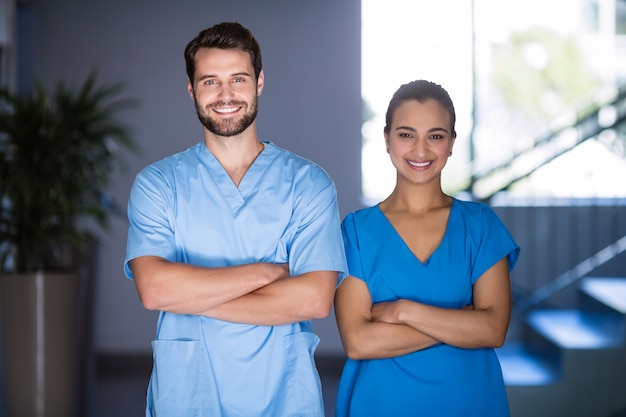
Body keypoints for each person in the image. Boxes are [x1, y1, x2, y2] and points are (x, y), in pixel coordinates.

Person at [124, 21, 347, 416]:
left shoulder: (309, 183)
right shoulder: (158, 184)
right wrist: (267, 273)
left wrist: (188, 294)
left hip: (283, 397)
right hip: (188, 395)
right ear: (191, 90)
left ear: (259, 82)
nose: (225, 95)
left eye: (238, 79)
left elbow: (314, 299)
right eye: (210, 82)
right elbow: (155, 291)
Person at [334, 80, 520, 417]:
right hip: (380, 404)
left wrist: (405, 310)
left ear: (451, 143)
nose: (421, 150)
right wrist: (463, 323)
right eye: (406, 134)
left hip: (469, 403)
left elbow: (493, 330)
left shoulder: (480, 226)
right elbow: (360, 342)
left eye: (435, 135)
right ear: (387, 139)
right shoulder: (356, 231)